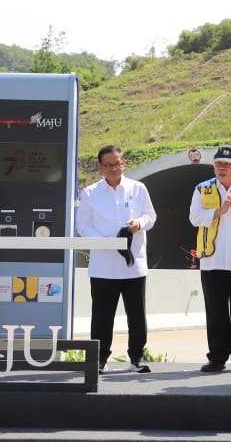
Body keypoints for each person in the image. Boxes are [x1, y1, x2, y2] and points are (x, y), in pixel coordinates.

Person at [76, 145, 157, 373]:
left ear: (124, 163)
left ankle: (137, 357)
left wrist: (139, 223)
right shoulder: (90, 193)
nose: (114, 168)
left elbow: (151, 216)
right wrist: (105, 241)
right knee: (102, 316)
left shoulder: (138, 188)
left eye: (117, 164)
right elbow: (82, 225)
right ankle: (99, 359)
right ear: (100, 167)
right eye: (109, 165)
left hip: (133, 264)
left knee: (137, 316)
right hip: (103, 266)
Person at [189, 145, 231, 373]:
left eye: (228, 165)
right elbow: (194, 218)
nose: (222, 168)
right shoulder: (203, 189)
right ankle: (217, 357)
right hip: (212, 258)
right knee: (216, 310)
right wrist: (218, 211)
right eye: (218, 164)